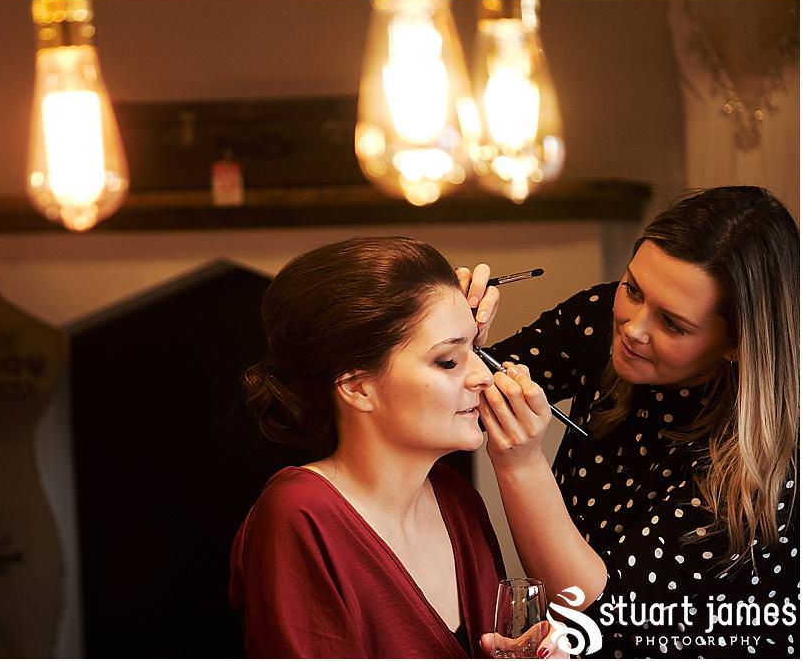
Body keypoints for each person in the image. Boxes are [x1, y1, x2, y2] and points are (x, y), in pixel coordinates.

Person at [467, 186, 799, 658]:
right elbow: (466, 389)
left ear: (739, 343)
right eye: (634, 289)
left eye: (674, 324)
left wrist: (521, 464)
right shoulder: (602, 321)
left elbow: (602, 614)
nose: (633, 328)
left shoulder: (767, 466)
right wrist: (459, 335)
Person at [229, 236, 519, 658]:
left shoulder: (456, 498)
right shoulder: (299, 513)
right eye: (448, 361)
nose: (484, 376)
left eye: (477, 349)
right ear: (358, 388)